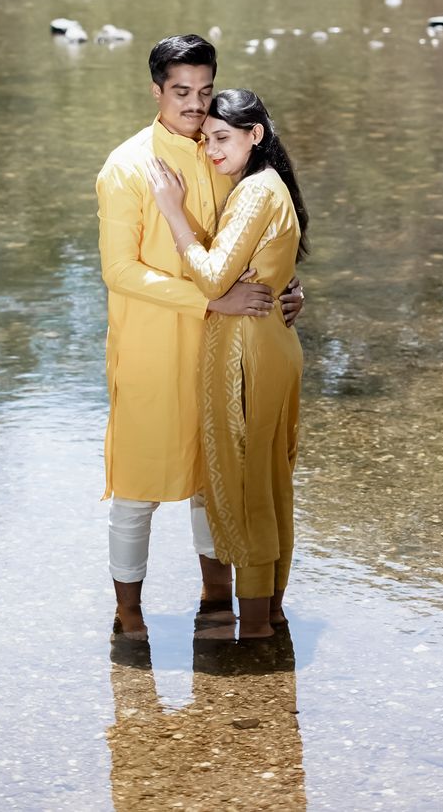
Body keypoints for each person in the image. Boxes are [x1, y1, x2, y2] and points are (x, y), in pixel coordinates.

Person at [97, 35, 304, 641]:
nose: (193, 105)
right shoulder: (128, 168)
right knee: (137, 484)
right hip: (152, 346)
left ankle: (217, 597)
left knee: (216, 478)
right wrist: (208, 299)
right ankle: (128, 612)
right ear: (156, 90)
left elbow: (258, 238)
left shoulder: (221, 148)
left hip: (227, 350)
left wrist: (286, 288)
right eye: (181, 92)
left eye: (204, 91)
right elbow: (119, 271)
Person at [146, 88, 307, 639]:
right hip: (269, 344)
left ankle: (256, 629)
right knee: (268, 478)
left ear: (254, 135)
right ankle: (271, 616)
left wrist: (173, 213)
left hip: (248, 351)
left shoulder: (256, 191)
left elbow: (214, 278)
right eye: (206, 139)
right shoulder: (268, 188)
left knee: (246, 485)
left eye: (223, 138)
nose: (212, 150)